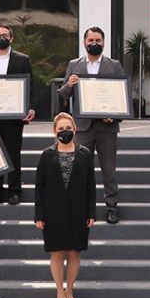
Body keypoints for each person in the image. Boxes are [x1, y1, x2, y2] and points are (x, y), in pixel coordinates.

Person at [58, 26, 128, 224]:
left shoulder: (114, 65)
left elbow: (121, 95)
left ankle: (111, 207)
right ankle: (80, 207)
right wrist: (69, 84)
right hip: (82, 126)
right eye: (91, 40)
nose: (94, 43)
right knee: (79, 168)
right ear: (84, 43)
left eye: (98, 40)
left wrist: (114, 117)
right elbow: (63, 94)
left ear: (104, 43)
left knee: (109, 169)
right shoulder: (74, 64)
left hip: (107, 127)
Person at [34, 113, 97, 298]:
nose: (65, 132)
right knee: (57, 253)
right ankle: (59, 292)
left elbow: (90, 185)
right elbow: (39, 187)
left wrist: (91, 212)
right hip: (53, 212)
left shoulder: (85, 153)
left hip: (78, 210)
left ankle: (70, 290)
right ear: (54, 131)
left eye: (68, 128)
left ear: (75, 130)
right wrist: (39, 215)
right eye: (60, 129)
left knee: (74, 252)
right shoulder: (47, 155)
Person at [0, 23, 36, 206]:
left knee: (12, 153)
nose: (1, 38)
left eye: (5, 35)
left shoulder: (22, 59)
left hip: (14, 115)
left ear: (11, 38)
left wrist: (31, 107)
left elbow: (30, 86)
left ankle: (14, 191)